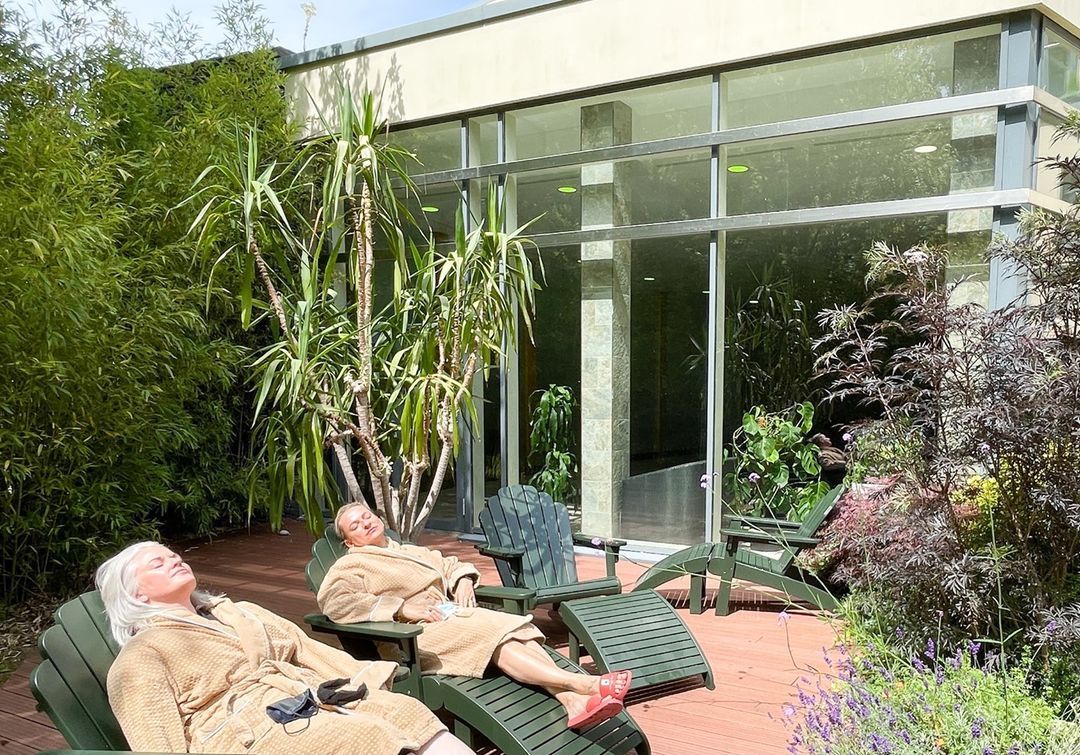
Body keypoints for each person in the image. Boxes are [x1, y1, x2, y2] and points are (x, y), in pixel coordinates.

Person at [96, 541, 474, 754]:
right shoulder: (141, 657)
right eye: (157, 563)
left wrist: (362, 679)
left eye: (172, 555)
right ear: (135, 592)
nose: (174, 559)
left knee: (404, 710)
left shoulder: (238, 612)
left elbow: (302, 647)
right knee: (367, 738)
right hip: (244, 735)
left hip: (303, 696)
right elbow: (156, 742)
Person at [317, 503, 632, 730]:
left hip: (449, 617)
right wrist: (400, 608)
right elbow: (334, 601)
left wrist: (463, 579)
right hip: (413, 638)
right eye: (355, 526)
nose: (365, 523)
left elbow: (449, 563)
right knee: (495, 633)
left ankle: (572, 702)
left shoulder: (406, 550)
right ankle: (581, 683)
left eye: (366, 516)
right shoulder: (351, 565)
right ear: (349, 542)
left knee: (514, 627)